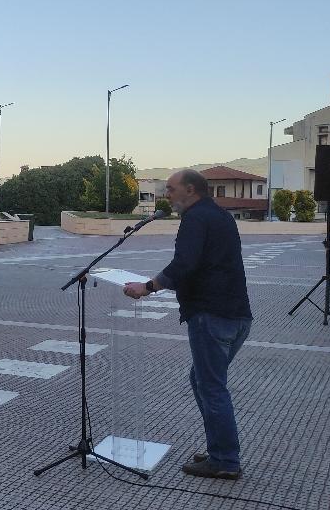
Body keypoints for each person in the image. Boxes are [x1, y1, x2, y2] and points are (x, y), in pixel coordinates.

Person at [123, 169, 251, 480]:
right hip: (236, 316)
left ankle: (225, 459)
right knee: (202, 381)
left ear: (190, 190)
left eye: (170, 189)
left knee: (211, 386)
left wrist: (148, 286)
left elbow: (185, 264)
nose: (166, 195)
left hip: (212, 316)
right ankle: (219, 448)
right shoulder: (220, 216)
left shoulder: (195, 219)